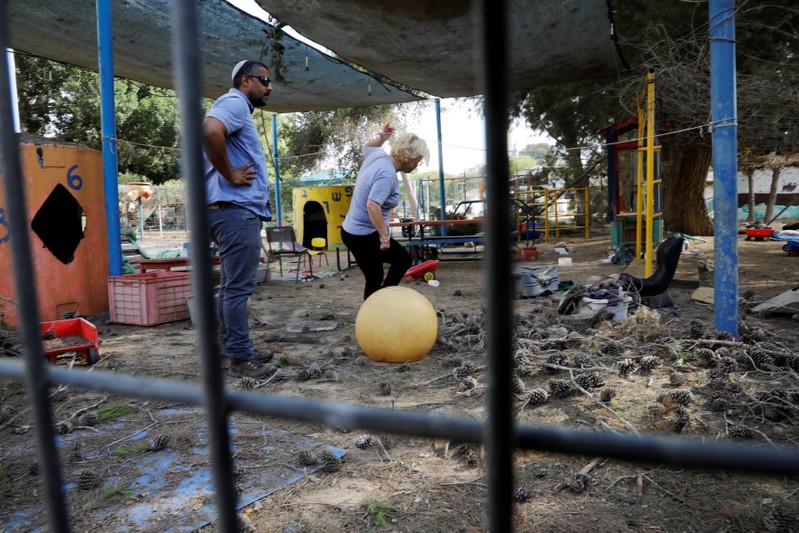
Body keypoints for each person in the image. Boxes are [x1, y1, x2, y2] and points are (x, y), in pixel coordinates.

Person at [201, 60, 275, 379]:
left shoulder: (239, 108)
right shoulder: (234, 102)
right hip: (235, 211)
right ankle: (241, 359)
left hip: (230, 211)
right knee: (238, 290)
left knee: (231, 287)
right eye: (264, 80)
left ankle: (227, 348)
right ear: (245, 81)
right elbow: (210, 130)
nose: (269, 86)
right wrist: (229, 173)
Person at [341, 124, 429, 300]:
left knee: (379, 274)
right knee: (398, 262)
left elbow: (367, 147)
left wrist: (382, 137)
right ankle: (381, 304)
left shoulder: (378, 155)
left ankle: (379, 305)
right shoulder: (387, 174)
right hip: (362, 235)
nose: (416, 166)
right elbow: (372, 205)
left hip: (353, 231)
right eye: (417, 161)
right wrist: (384, 236)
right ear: (410, 159)